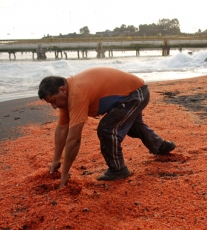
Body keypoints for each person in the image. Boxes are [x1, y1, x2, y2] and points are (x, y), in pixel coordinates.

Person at [38, 67, 175, 188]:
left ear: (62, 90)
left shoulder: (76, 93)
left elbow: (74, 139)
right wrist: (56, 160)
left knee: (107, 129)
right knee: (132, 126)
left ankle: (118, 169)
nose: (54, 106)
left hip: (135, 94)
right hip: (131, 94)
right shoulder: (66, 97)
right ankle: (160, 146)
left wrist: (65, 173)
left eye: (54, 101)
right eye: (51, 103)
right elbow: (62, 130)